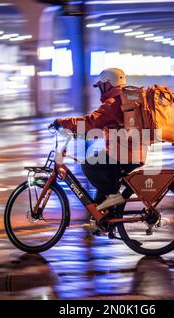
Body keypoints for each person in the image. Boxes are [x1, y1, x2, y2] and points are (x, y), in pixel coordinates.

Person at [50, 68, 145, 211]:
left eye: (101, 86)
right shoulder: (126, 99)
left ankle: (113, 196)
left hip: (123, 153)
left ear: (108, 84)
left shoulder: (113, 103)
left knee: (89, 165)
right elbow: (107, 125)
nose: (100, 89)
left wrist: (63, 122)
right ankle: (103, 218)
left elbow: (91, 121)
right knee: (102, 173)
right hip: (134, 152)